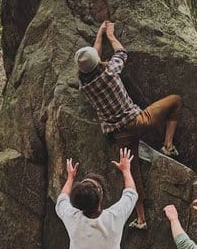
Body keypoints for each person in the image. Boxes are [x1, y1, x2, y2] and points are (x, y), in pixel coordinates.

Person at [75, 20, 181, 230]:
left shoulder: (84, 86)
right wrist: (111, 36)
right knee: (176, 100)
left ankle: (141, 218)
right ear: (98, 62)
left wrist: (99, 35)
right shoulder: (110, 72)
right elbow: (121, 53)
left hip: (118, 134)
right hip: (137, 121)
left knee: (131, 174)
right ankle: (168, 146)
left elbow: (93, 61)